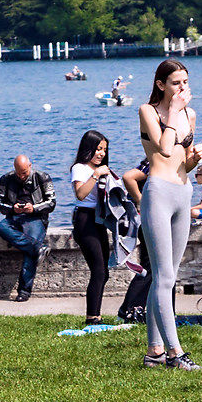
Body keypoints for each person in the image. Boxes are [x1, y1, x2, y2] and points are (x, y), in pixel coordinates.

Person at [134, 58, 202, 370]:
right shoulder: (148, 111)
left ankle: (154, 351)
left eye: (185, 83)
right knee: (163, 277)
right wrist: (174, 112)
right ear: (161, 85)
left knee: (168, 277)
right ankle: (175, 353)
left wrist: (195, 160)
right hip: (158, 192)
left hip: (183, 191)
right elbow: (163, 148)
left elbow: (183, 160)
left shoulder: (191, 114)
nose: (182, 89)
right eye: (176, 83)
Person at [69, 132, 121, 320]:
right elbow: (80, 194)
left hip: (100, 220)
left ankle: (95, 315)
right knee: (98, 270)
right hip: (85, 220)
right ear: (88, 148)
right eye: (98, 149)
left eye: (104, 150)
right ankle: (92, 317)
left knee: (104, 272)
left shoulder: (103, 169)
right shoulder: (80, 168)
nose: (101, 153)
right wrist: (95, 175)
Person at [0, 154, 55, 302]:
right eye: (18, 173)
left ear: (30, 166)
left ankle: (24, 291)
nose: (21, 176)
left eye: (24, 173)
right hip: (14, 217)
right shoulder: (6, 179)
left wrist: (33, 208)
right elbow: (0, 204)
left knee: (30, 248)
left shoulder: (42, 177)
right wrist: (13, 209)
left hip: (35, 217)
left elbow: (51, 203)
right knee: (1, 227)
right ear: (14, 169)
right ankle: (38, 248)